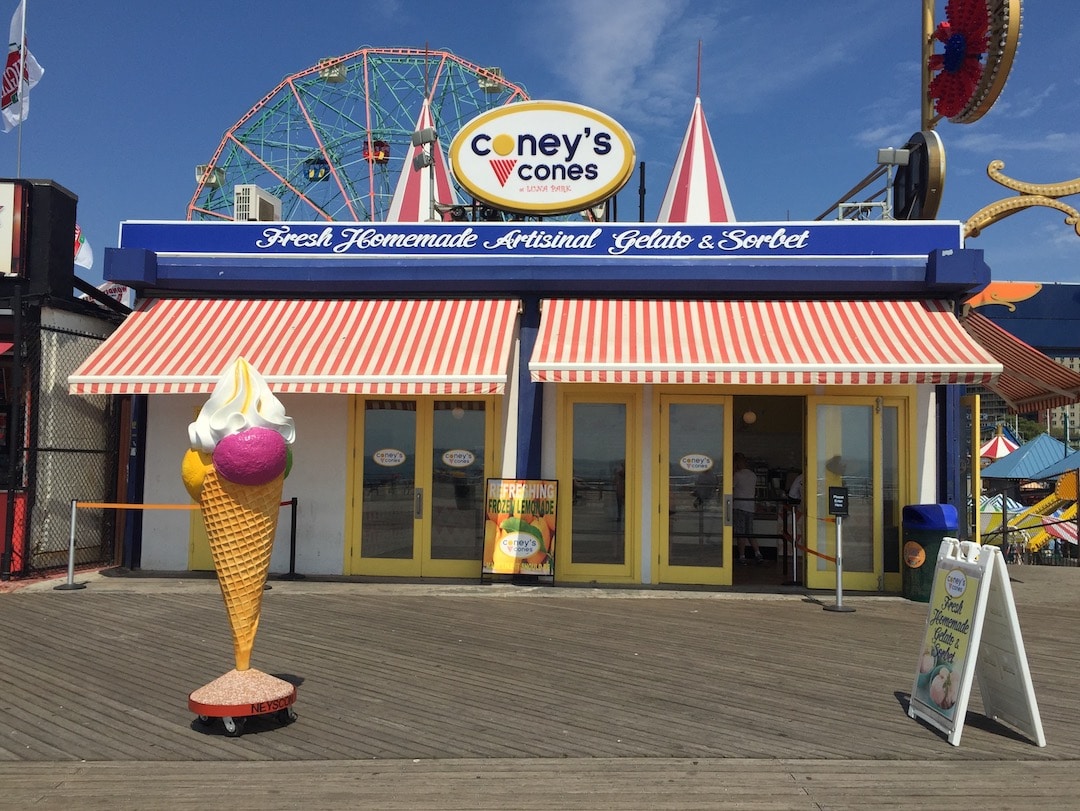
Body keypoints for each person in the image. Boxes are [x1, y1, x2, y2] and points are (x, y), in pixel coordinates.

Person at [732, 453, 763, 564]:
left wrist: (733, 470)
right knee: (749, 532)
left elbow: (729, 487)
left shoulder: (737, 475)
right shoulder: (753, 475)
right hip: (750, 507)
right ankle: (758, 553)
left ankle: (742, 556)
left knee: (741, 533)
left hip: (739, 506)